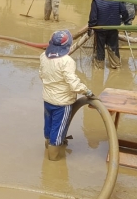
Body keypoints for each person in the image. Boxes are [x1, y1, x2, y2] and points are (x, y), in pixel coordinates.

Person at [39, 30, 95, 161]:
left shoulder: (43, 56)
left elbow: (41, 75)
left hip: (47, 100)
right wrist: (87, 91)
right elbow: (74, 84)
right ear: (68, 46)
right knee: (58, 131)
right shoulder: (67, 61)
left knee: (49, 125)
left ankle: (47, 149)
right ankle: (53, 161)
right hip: (62, 104)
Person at [89, 0, 128, 69]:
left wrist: (90, 28)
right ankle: (116, 65)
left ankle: (99, 67)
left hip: (100, 29)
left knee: (100, 48)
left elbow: (93, 18)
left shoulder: (96, 1)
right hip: (113, 28)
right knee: (113, 47)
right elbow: (125, 12)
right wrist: (123, 21)